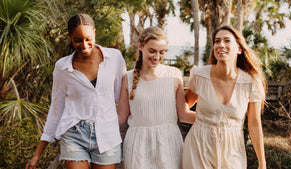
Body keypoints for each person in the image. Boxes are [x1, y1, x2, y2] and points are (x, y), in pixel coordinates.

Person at [26, 14, 126, 169]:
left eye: (88, 39)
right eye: (77, 40)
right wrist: (37, 154)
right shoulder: (63, 67)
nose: (84, 45)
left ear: (94, 32)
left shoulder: (114, 58)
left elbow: (122, 97)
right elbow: (56, 110)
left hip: (107, 134)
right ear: (70, 37)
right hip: (74, 134)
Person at [182, 26, 267, 169]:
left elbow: (254, 124)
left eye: (227, 41)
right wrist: (205, 121)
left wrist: (262, 163)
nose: (221, 45)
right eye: (217, 41)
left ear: (239, 49)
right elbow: (183, 106)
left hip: (233, 149)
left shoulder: (251, 82)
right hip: (198, 146)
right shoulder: (200, 76)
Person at [117, 26, 195, 169]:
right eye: (152, 51)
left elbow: (183, 115)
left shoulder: (174, 74)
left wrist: (216, 118)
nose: (157, 57)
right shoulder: (127, 78)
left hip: (169, 142)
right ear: (140, 46)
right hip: (137, 144)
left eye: (162, 52)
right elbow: (121, 117)